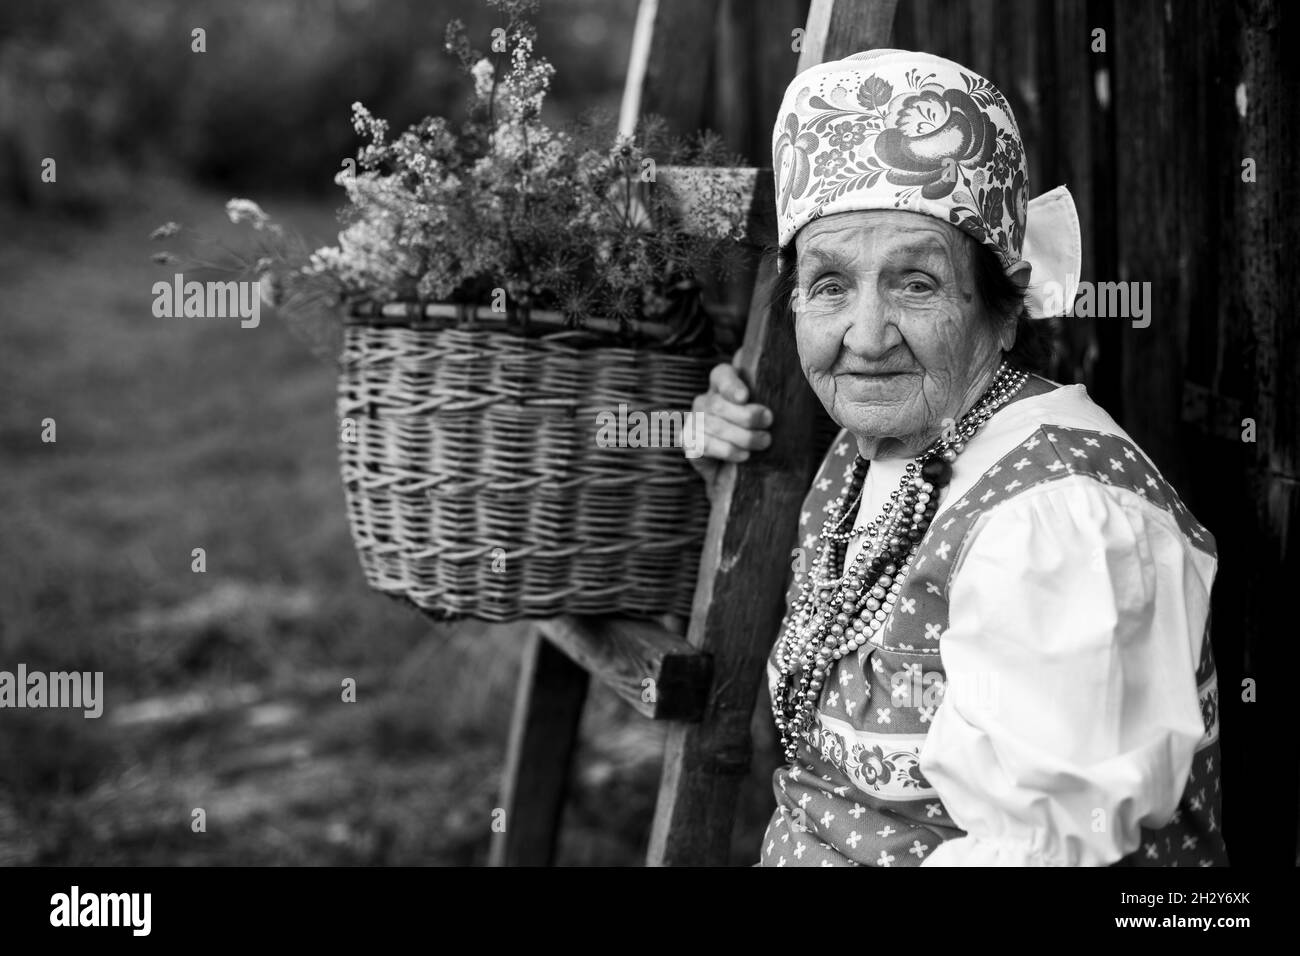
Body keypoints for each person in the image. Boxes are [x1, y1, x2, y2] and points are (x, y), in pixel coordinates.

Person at [689, 49, 1226, 866]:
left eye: (916, 285)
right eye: (830, 285)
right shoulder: (865, 455)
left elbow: (1046, 854)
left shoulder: (1064, 521)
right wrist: (718, 460)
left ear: (1004, 311)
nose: (865, 337)